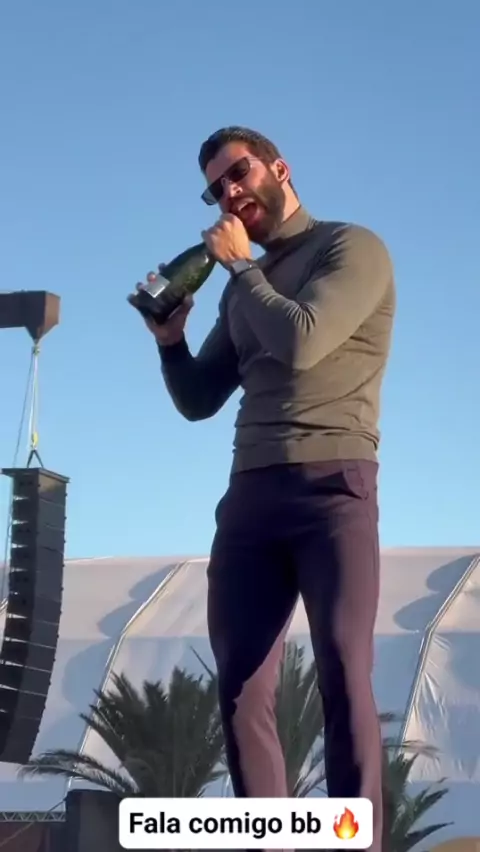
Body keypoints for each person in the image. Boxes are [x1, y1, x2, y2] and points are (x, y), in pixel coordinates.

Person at [142, 126, 395, 852]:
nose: (229, 193)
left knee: (343, 669)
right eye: (215, 188)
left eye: (239, 173)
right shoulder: (241, 286)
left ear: (279, 169)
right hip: (250, 497)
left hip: (333, 489)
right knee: (241, 686)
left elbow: (304, 341)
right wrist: (170, 343)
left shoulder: (351, 248)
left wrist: (241, 269)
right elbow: (199, 399)